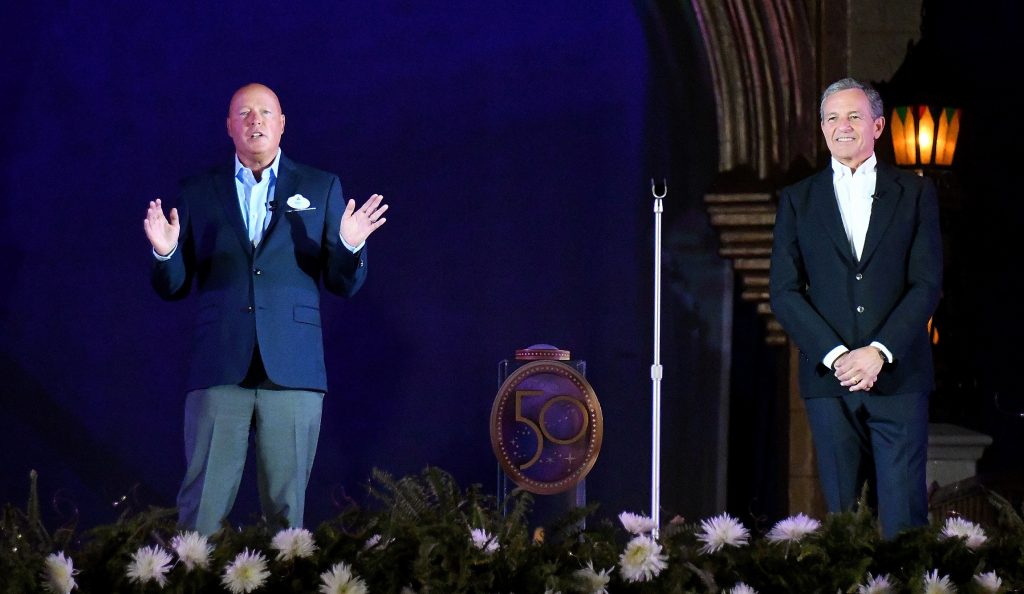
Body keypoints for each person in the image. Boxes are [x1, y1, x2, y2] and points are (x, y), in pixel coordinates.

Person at [143, 83, 388, 535]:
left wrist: (350, 245)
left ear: (282, 124)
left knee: (286, 512)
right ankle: (195, 572)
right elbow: (173, 287)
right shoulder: (198, 190)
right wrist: (165, 253)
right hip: (220, 363)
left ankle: (287, 572)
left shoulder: (320, 186)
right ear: (229, 126)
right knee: (201, 509)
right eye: (244, 113)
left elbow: (343, 284)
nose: (255, 120)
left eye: (265, 112)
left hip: (293, 367)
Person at [769, 77, 942, 538]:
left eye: (853, 116)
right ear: (822, 128)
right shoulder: (798, 199)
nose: (841, 126)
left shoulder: (915, 193)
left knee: (904, 523)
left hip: (899, 378)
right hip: (830, 381)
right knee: (846, 525)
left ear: (877, 126)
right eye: (831, 118)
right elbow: (784, 292)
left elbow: (927, 284)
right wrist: (837, 356)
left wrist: (879, 351)